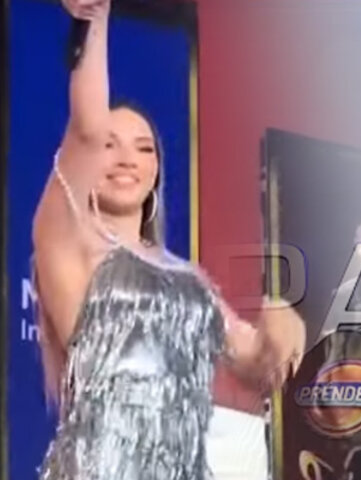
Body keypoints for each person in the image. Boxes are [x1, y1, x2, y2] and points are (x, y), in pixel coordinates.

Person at [32, 0, 305, 478]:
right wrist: (95, 21)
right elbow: (87, 129)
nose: (126, 159)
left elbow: (251, 361)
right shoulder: (67, 243)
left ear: (156, 170)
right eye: (111, 145)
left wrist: (278, 328)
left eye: (144, 149)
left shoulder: (185, 278)